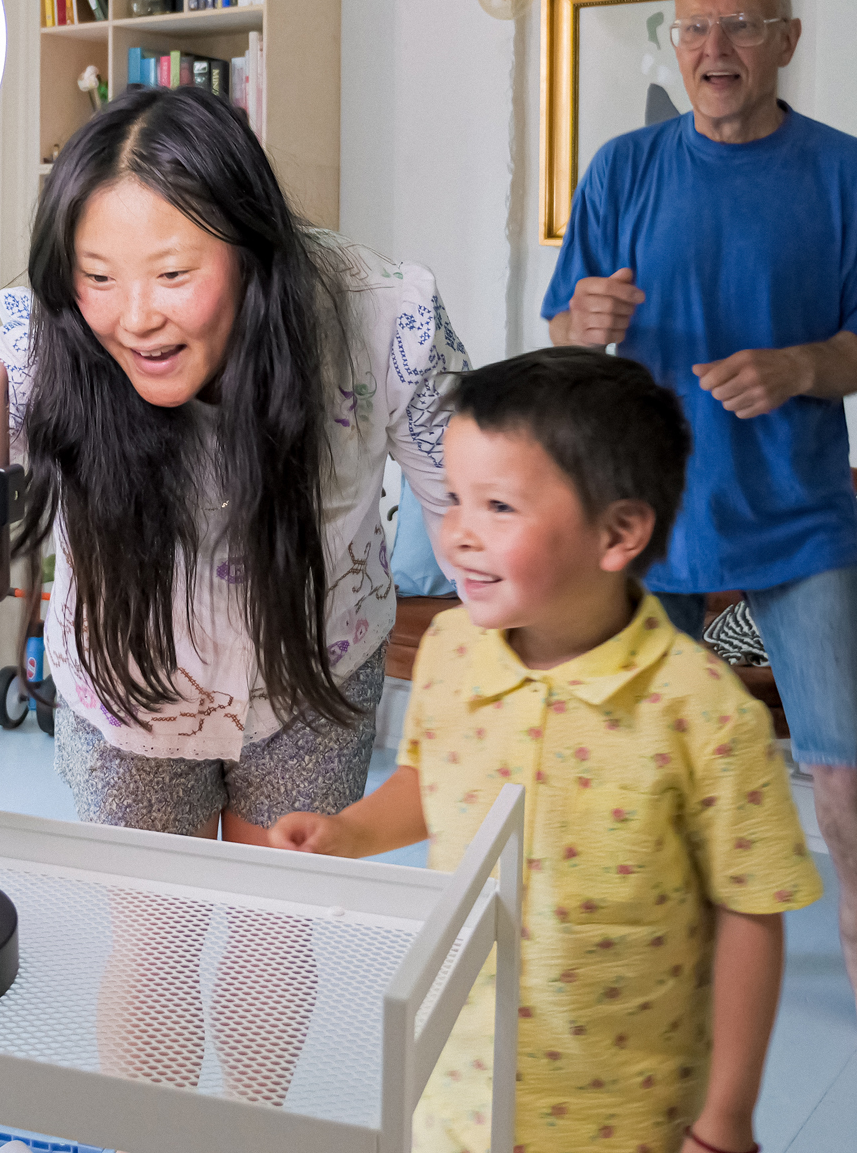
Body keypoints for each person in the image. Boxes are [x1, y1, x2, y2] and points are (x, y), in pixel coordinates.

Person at [0, 86, 469, 1093]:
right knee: (154, 934)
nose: (135, 318)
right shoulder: (40, 349)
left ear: (253, 247)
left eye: (175, 273)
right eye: (99, 276)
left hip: (314, 675)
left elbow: (487, 494)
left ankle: (249, 1127)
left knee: (277, 934)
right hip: (130, 690)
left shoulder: (377, 314)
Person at [270, 348, 822, 1153]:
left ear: (619, 531)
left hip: (627, 1109)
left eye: (498, 506)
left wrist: (726, 1117)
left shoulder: (701, 710)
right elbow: (435, 780)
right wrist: (349, 832)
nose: (458, 534)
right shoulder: (453, 649)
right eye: (455, 498)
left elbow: (749, 911)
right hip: (456, 1083)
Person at [541, 0, 857, 1008]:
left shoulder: (843, 171)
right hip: (650, 524)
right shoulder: (623, 169)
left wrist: (806, 365)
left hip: (801, 526)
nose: (714, 50)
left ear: (788, 42)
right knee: (647, 769)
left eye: (742, 27)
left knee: (846, 778)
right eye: (694, 29)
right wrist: (579, 324)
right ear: (674, 44)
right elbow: (561, 328)